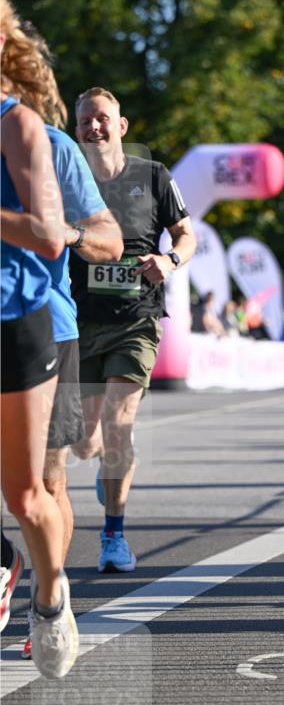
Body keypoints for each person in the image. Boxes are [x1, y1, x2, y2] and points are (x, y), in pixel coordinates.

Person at [12, 21, 123, 659]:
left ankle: (49, 603)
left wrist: (67, 234)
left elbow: (107, 237)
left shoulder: (53, 146)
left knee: (46, 482)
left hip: (43, 330)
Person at [70, 87, 196, 572]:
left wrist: (170, 260)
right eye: (85, 121)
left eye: (102, 118)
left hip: (136, 319)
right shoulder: (68, 178)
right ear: (77, 130)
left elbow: (186, 235)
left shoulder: (154, 175)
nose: (94, 127)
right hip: (81, 321)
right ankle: (110, 460)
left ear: (121, 126)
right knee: (85, 441)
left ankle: (113, 536)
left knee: (118, 424)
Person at [0, 0, 77, 677]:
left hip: (15, 321)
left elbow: (51, 236)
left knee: (25, 494)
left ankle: (51, 598)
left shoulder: (18, 126)